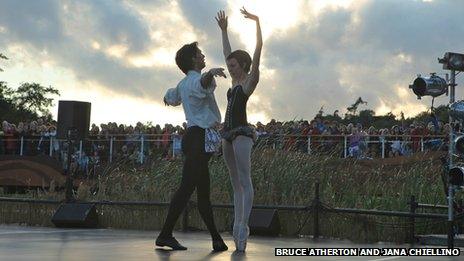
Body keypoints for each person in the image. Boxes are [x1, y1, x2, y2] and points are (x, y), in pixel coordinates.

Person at [156, 42, 228, 251]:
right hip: (199, 138)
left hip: (196, 138)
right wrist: (211, 73)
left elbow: (171, 97)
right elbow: (202, 83)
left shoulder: (182, 84)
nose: (203, 56)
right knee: (188, 188)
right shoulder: (197, 80)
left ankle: (216, 239)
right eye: (200, 54)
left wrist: (166, 98)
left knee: (201, 189)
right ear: (193, 60)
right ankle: (165, 234)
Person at [215, 7, 262, 252]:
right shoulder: (234, 81)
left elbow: (258, 50)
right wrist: (224, 31)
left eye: (233, 65)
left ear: (243, 65)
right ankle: (237, 224)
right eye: (229, 65)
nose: (229, 68)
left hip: (242, 133)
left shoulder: (249, 81)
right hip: (227, 134)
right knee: (235, 182)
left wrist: (257, 23)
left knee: (245, 179)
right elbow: (226, 52)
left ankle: (243, 225)